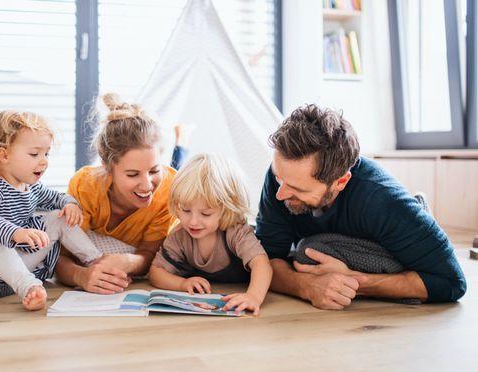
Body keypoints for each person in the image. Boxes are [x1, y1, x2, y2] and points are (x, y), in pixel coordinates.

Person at [256, 104, 467, 310]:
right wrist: (305, 287)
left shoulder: (382, 200)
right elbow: (264, 260)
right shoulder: (283, 177)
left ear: (340, 182)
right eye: (278, 178)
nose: (279, 193)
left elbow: (451, 282)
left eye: (297, 189)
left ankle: (420, 216)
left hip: (389, 233)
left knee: (307, 252)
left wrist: (355, 282)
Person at [0, 110, 119, 310]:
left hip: (19, 258)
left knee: (57, 217)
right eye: (35, 154)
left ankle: (95, 259)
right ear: (4, 154)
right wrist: (15, 233)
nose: (44, 161)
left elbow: (57, 197)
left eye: (46, 153)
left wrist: (70, 204)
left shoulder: (32, 187)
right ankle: (29, 286)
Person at [55, 93, 177, 294]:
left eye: (154, 171)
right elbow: (61, 255)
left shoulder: (168, 190)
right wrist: (81, 276)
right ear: (108, 167)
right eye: (132, 174)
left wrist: (129, 261)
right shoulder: (86, 186)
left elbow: (150, 254)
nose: (147, 185)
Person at [149, 154, 273, 316]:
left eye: (205, 214)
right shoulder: (180, 235)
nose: (193, 222)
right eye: (186, 210)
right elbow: (156, 272)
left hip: (244, 290)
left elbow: (262, 264)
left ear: (226, 209)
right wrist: (182, 284)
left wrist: (253, 296)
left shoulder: (235, 231)